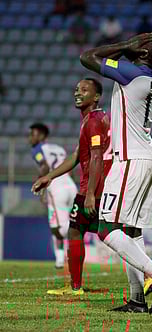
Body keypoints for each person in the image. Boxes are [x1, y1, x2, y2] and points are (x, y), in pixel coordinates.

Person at [79, 32, 152, 314]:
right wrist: (132, 48)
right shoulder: (148, 75)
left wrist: (124, 46)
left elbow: (87, 57)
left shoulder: (132, 73)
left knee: (107, 229)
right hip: (147, 156)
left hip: (130, 158)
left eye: (141, 42)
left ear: (144, 54)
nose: (135, 40)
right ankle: (137, 299)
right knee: (131, 231)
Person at [32, 78, 111, 296]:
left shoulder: (93, 121)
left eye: (85, 90)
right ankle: (75, 286)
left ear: (96, 97)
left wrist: (90, 194)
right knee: (87, 231)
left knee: (97, 233)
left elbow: (96, 157)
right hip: (99, 186)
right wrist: (49, 176)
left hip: (94, 188)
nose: (78, 92)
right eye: (77, 89)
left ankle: (76, 286)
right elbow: (77, 155)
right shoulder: (92, 119)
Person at [29, 123, 78, 269]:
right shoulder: (59, 149)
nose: (30, 138)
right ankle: (62, 259)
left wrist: (41, 185)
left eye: (34, 134)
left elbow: (44, 166)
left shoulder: (37, 149)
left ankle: (64, 257)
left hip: (56, 188)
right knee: (69, 222)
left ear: (43, 135)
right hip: (70, 186)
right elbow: (70, 170)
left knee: (58, 226)